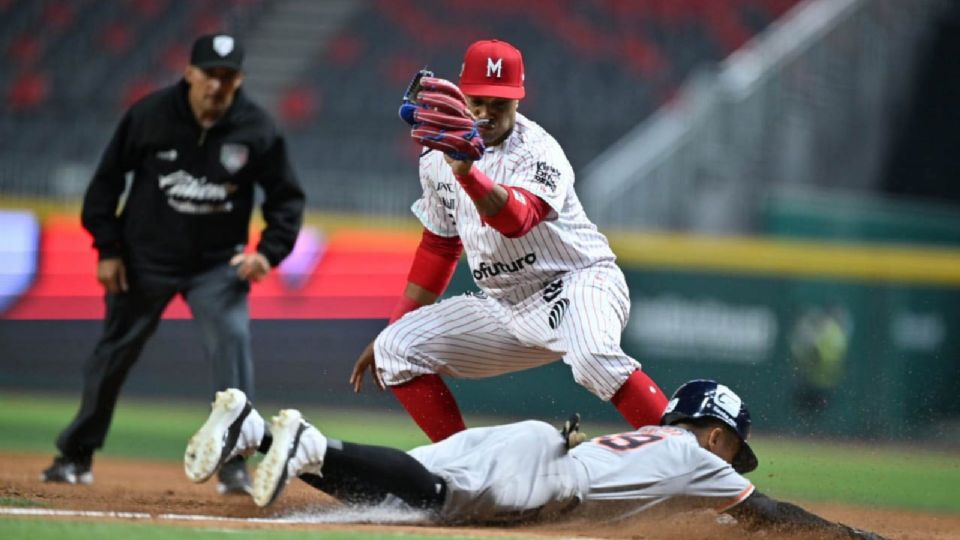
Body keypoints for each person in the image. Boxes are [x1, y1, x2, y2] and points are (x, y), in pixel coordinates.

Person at [349, 38, 668, 443]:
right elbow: (440, 246)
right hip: (504, 305)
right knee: (397, 346)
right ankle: (469, 469)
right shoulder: (435, 158)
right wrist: (393, 325)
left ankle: (696, 462)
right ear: (461, 95)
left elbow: (517, 220)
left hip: (578, 283)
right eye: (477, 101)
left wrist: (468, 174)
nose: (485, 113)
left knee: (594, 359)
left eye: (499, 103)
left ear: (518, 99)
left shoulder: (538, 151)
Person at [40, 33, 305, 495]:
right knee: (112, 356)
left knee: (233, 349)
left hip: (218, 267)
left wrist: (268, 252)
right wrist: (107, 248)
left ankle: (233, 467)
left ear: (240, 79)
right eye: (209, 74)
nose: (217, 86)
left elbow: (286, 199)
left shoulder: (257, 128)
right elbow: (105, 184)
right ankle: (75, 456)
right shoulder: (149, 116)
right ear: (190, 73)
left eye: (227, 76)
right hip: (144, 260)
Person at [183, 380, 887, 539]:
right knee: (431, 500)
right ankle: (302, 441)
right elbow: (769, 516)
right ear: (715, 434)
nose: (737, 461)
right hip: (545, 474)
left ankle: (259, 437)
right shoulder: (703, 463)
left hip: (534, 446)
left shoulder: (669, 446)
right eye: (735, 445)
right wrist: (852, 538)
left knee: (400, 491)